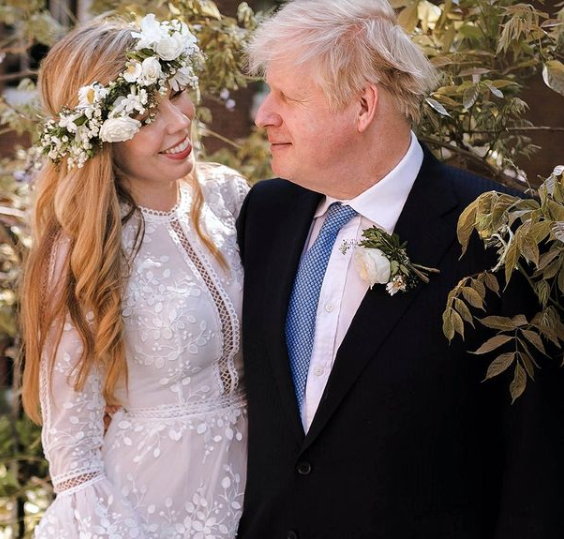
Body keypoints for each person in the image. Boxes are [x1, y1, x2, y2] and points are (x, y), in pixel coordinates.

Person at [236, 1, 564, 538]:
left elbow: (537, 465)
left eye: (287, 97)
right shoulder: (265, 213)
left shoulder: (500, 234)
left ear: (363, 106)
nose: (264, 116)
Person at [20, 14, 248, 539]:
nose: (178, 121)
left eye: (177, 92)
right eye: (145, 115)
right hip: (148, 507)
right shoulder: (82, 249)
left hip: (259, 490)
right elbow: (75, 456)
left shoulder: (229, 196)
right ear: (101, 135)